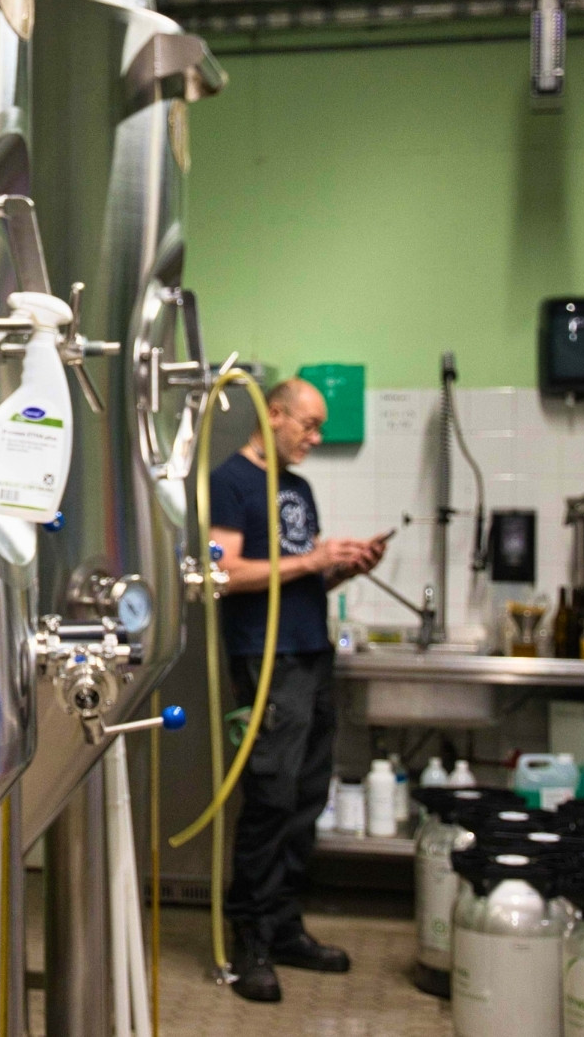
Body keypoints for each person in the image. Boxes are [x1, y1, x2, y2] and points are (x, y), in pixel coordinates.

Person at [207, 378, 386, 1003]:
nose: (316, 438)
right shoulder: (230, 480)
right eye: (308, 425)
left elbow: (295, 578)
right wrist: (313, 560)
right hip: (266, 658)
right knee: (270, 798)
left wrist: (340, 566)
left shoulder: (298, 488)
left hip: (310, 650)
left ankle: (284, 927)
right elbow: (224, 573)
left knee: (308, 797)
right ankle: (250, 936)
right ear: (274, 414)